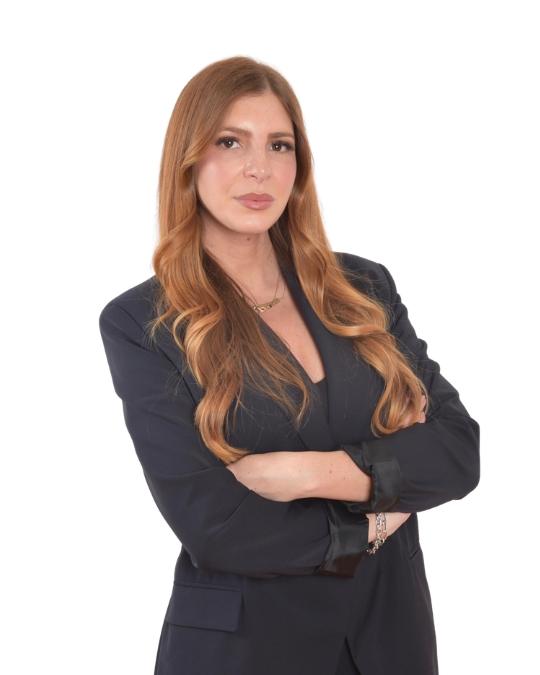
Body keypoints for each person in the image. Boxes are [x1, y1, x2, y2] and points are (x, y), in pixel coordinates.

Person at [98, 56, 480, 675]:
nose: (260, 168)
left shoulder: (363, 287)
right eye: (230, 142)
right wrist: (381, 514)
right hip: (244, 651)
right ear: (188, 161)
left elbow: (458, 453)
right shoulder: (143, 322)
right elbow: (217, 526)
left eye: (280, 145)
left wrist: (307, 473)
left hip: (391, 638)